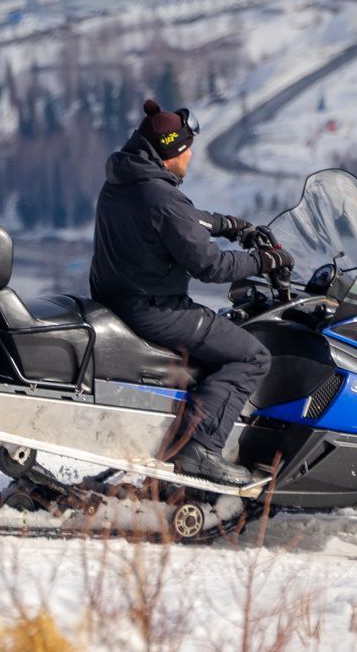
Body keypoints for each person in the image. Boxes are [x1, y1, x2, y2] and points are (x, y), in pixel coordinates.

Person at [89, 99, 292, 485]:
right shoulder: (161, 197)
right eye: (186, 148)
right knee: (251, 356)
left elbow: (184, 220)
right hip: (156, 311)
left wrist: (230, 225)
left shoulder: (126, 181)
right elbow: (209, 265)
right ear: (171, 152)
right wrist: (265, 262)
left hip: (118, 301)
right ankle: (200, 448)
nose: (192, 155)